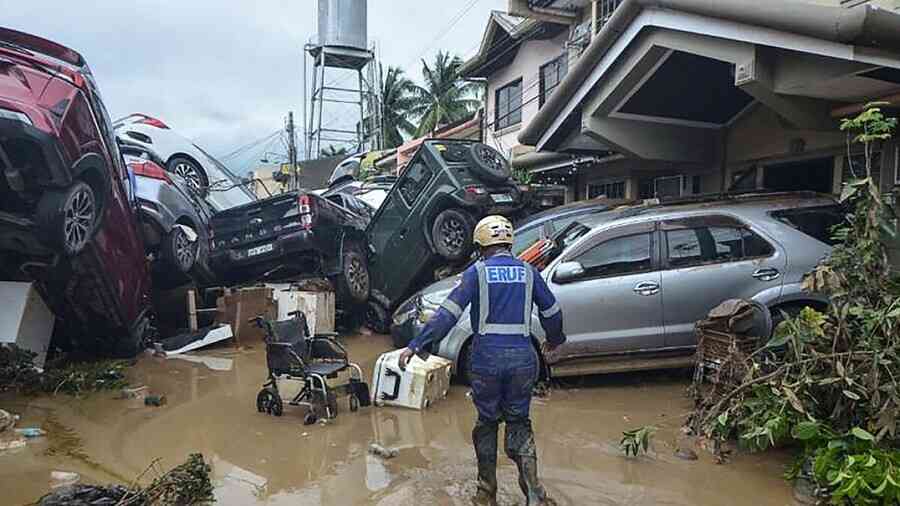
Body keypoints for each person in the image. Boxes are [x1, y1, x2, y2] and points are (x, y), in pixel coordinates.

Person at [399, 215, 565, 506]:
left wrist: (417, 344)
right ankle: (535, 496)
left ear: (481, 245)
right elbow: (552, 313)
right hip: (522, 360)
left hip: (486, 359)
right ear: (509, 242)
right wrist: (554, 340)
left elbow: (448, 313)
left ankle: (486, 493)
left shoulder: (477, 272)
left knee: (487, 423)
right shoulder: (529, 271)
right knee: (520, 422)